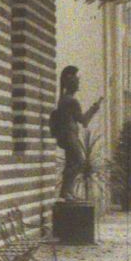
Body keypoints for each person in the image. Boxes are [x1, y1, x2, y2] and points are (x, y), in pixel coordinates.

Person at [50, 64, 102, 204]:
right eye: (76, 80)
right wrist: (94, 108)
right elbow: (84, 121)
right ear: (71, 82)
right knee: (79, 162)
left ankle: (66, 193)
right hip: (70, 135)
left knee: (70, 164)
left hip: (67, 135)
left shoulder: (63, 99)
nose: (78, 82)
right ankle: (66, 191)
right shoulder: (71, 101)